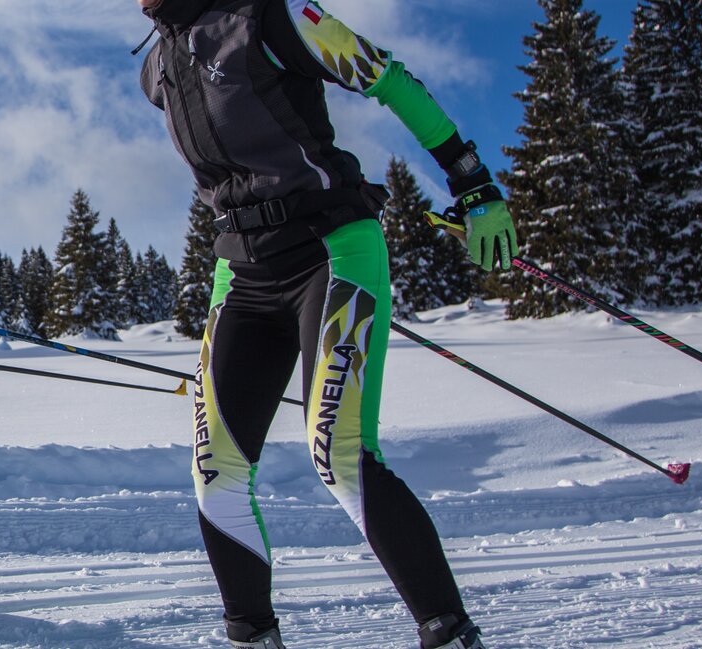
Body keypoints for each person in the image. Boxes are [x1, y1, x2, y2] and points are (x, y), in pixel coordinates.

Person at [133, 0, 516, 647]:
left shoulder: (268, 18)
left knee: (338, 454)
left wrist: (471, 181)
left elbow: (385, 76)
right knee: (215, 470)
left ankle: (449, 633)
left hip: (330, 250)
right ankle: (253, 636)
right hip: (242, 272)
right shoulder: (155, 70)